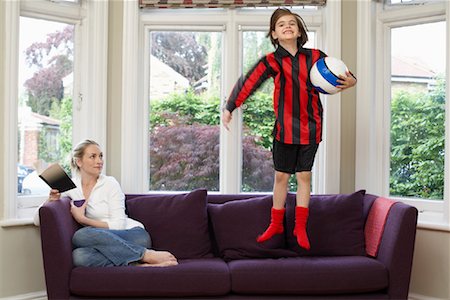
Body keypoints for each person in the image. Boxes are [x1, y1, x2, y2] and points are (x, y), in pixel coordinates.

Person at [222, 8, 356, 250]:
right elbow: (249, 82)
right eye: (281, 24)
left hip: (312, 126)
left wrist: (352, 80)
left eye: (292, 23)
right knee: (281, 176)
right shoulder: (271, 61)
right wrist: (230, 106)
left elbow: (342, 74)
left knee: (304, 176)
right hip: (284, 128)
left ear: (299, 30)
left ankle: (300, 226)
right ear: (274, 33)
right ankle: (276, 223)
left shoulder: (316, 57)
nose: (287, 26)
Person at [34, 139, 178, 267]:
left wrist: (83, 219)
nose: (99, 161)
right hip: (105, 243)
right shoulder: (72, 188)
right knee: (79, 257)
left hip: (134, 236)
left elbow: (119, 225)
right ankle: (137, 264)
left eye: (101, 156)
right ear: (79, 162)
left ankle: (146, 255)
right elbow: (37, 220)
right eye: (93, 156)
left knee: (81, 235)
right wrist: (51, 200)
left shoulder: (110, 183)